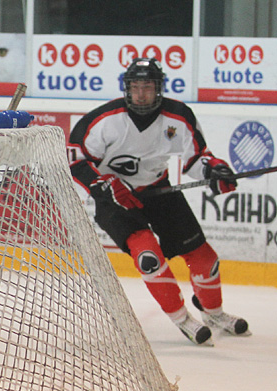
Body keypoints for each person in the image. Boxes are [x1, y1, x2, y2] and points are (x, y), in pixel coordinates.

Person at [69, 56, 249, 345]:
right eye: (136, 86)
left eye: (148, 86)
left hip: (158, 189)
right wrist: (101, 185)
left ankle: (213, 312)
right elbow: (75, 159)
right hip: (115, 197)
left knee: (204, 259)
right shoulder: (104, 120)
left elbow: (196, 157)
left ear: (159, 88)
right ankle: (181, 318)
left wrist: (215, 171)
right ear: (127, 88)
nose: (141, 93)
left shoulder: (177, 116)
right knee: (148, 256)